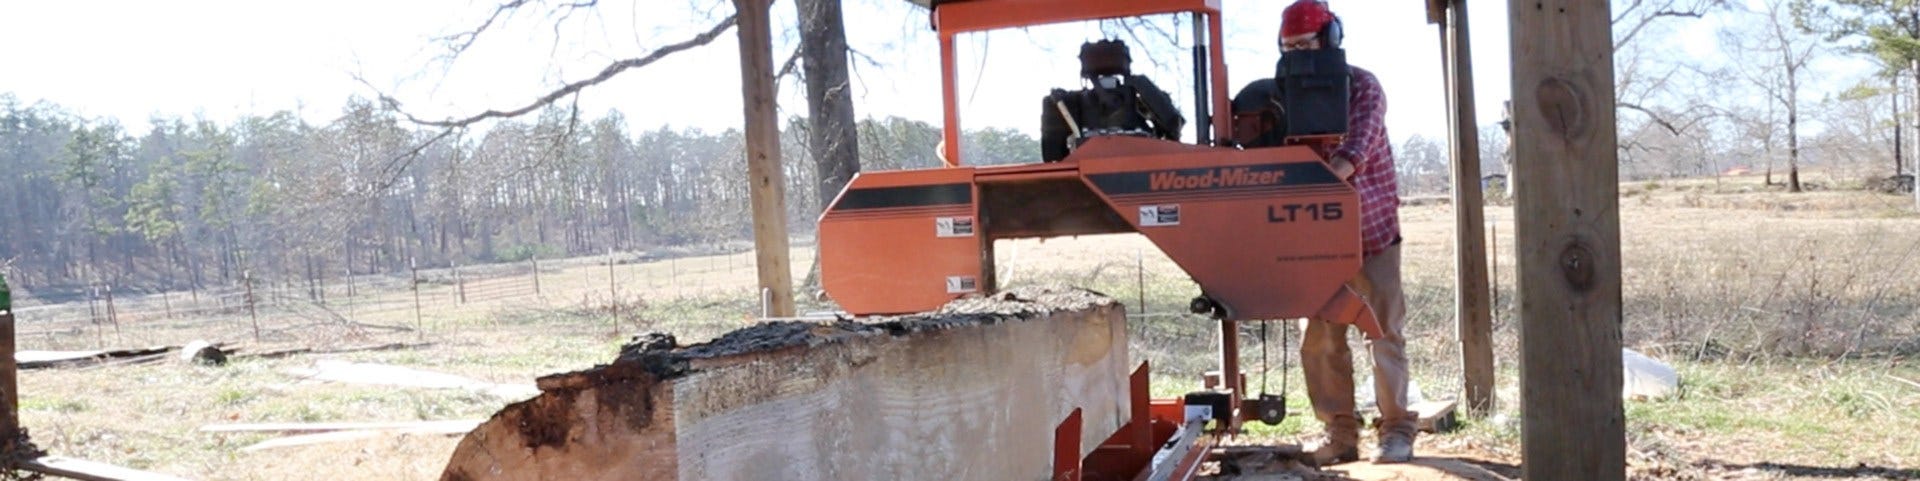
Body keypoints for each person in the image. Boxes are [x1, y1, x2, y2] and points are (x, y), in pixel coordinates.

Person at [1277, 0, 1414, 466]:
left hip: (1372, 234)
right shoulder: (1280, 94)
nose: (1298, 55)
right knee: (1319, 340)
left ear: (1330, 40)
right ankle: (1340, 434)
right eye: (1289, 47)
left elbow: (1357, 147)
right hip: (1315, 242)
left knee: (1384, 335)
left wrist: (1322, 173)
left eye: (1306, 44)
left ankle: (1396, 430)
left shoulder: (1364, 86)